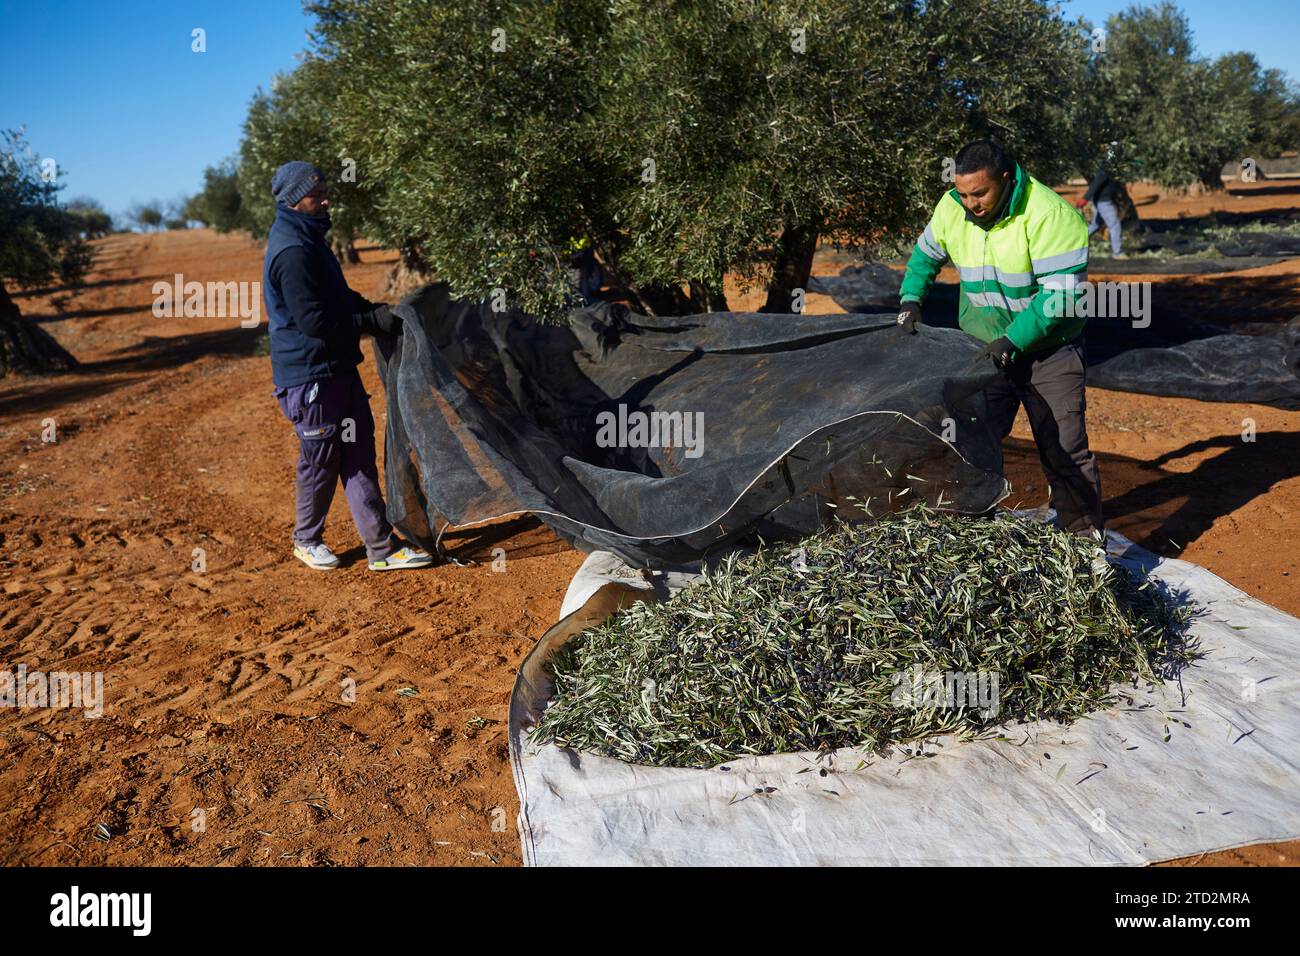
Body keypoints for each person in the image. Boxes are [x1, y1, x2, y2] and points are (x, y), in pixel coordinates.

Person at [895, 141, 1104, 536]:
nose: (970, 203)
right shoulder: (951, 208)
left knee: (1064, 450)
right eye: (962, 193)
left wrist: (1013, 340)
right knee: (970, 443)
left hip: (1049, 352)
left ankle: (1085, 547)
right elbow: (925, 256)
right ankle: (973, 538)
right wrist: (911, 299)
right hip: (984, 350)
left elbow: (1061, 295)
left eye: (980, 193)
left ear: (1006, 179)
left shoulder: (1050, 216)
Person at [263, 160, 434, 571]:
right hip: (309, 378)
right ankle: (306, 539)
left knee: (358, 453)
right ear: (292, 200)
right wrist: (368, 323)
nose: (324, 198)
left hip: (336, 368)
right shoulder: (292, 251)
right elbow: (315, 323)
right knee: (321, 459)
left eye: (325, 190)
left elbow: (336, 299)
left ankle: (381, 549)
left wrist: (374, 311)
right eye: (315, 193)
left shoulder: (311, 240)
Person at [1077, 158, 1127, 259]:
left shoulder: (1111, 168)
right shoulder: (1106, 168)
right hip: (1104, 202)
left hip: (1101, 201)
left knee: (1096, 224)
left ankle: (1075, 245)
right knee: (1115, 225)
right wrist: (1085, 198)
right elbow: (1096, 184)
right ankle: (1117, 253)